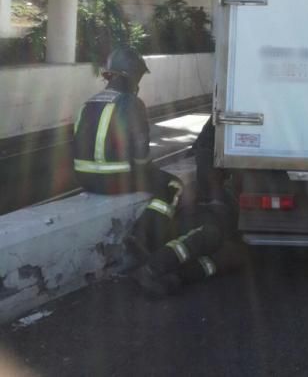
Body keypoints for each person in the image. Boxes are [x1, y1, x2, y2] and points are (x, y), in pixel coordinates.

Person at [71, 46, 183, 253]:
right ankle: (141, 238)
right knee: (173, 186)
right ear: (132, 76)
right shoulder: (131, 103)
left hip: (83, 179)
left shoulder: (87, 104)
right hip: (115, 179)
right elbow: (141, 154)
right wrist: (148, 172)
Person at [132, 120, 244, 297]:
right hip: (210, 210)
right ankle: (152, 268)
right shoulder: (220, 126)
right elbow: (206, 150)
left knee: (230, 256)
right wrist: (217, 199)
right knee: (210, 234)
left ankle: (175, 279)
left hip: (229, 219)